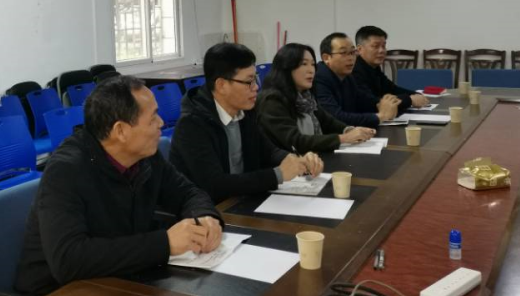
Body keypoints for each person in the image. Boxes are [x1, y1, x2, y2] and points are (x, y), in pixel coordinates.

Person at [14, 76, 223, 296]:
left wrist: (205, 216)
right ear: (121, 131)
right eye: (153, 117)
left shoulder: (145, 157)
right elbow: (68, 260)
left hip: (118, 280)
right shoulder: (66, 171)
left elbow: (188, 192)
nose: (161, 123)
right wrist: (166, 243)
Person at [170, 43, 324, 204]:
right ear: (222, 85)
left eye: (255, 79)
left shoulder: (245, 111)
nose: (256, 87)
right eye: (249, 82)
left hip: (243, 199)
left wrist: (296, 160)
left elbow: (269, 152)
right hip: (209, 209)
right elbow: (214, 185)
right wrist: (278, 174)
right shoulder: (192, 124)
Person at [257, 43, 375, 153]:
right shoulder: (271, 101)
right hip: (287, 163)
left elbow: (328, 122)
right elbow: (296, 141)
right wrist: (343, 138)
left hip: (311, 159)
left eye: (313, 64)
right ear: (286, 67)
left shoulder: (305, 97)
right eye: (304, 64)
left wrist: (349, 130)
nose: (311, 70)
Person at [314, 32, 400, 127]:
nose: (351, 58)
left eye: (352, 52)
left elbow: (363, 101)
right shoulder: (319, 78)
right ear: (326, 58)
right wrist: (380, 117)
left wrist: (383, 104)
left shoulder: (348, 77)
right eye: (343, 53)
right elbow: (335, 117)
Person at [352, 26, 429, 110]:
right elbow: (371, 103)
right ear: (359, 49)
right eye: (375, 46)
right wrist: (410, 99)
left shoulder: (374, 67)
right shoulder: (354, 71)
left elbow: (391, 89)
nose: (381, 50)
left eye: (383, 46)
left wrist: (417, 95)